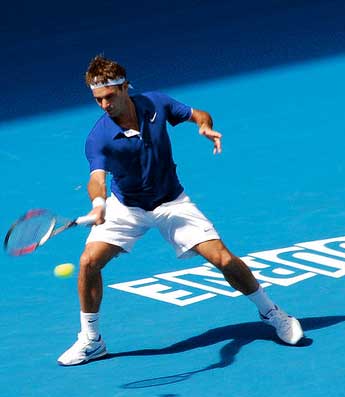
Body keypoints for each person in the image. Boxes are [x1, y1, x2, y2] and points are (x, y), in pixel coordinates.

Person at [57, 55, 304, 366]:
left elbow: (198, 114)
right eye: (98, 100)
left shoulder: (156, 104)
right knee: (88, 262)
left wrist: (205, 126)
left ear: (124, 88)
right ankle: (92, 340)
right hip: (126, 207)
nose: (104, 105)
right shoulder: (99, 137)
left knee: (224, 259)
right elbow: (96, 179)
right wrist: (98, 204)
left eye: (109, 97)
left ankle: (272, 313)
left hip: (172, 202)